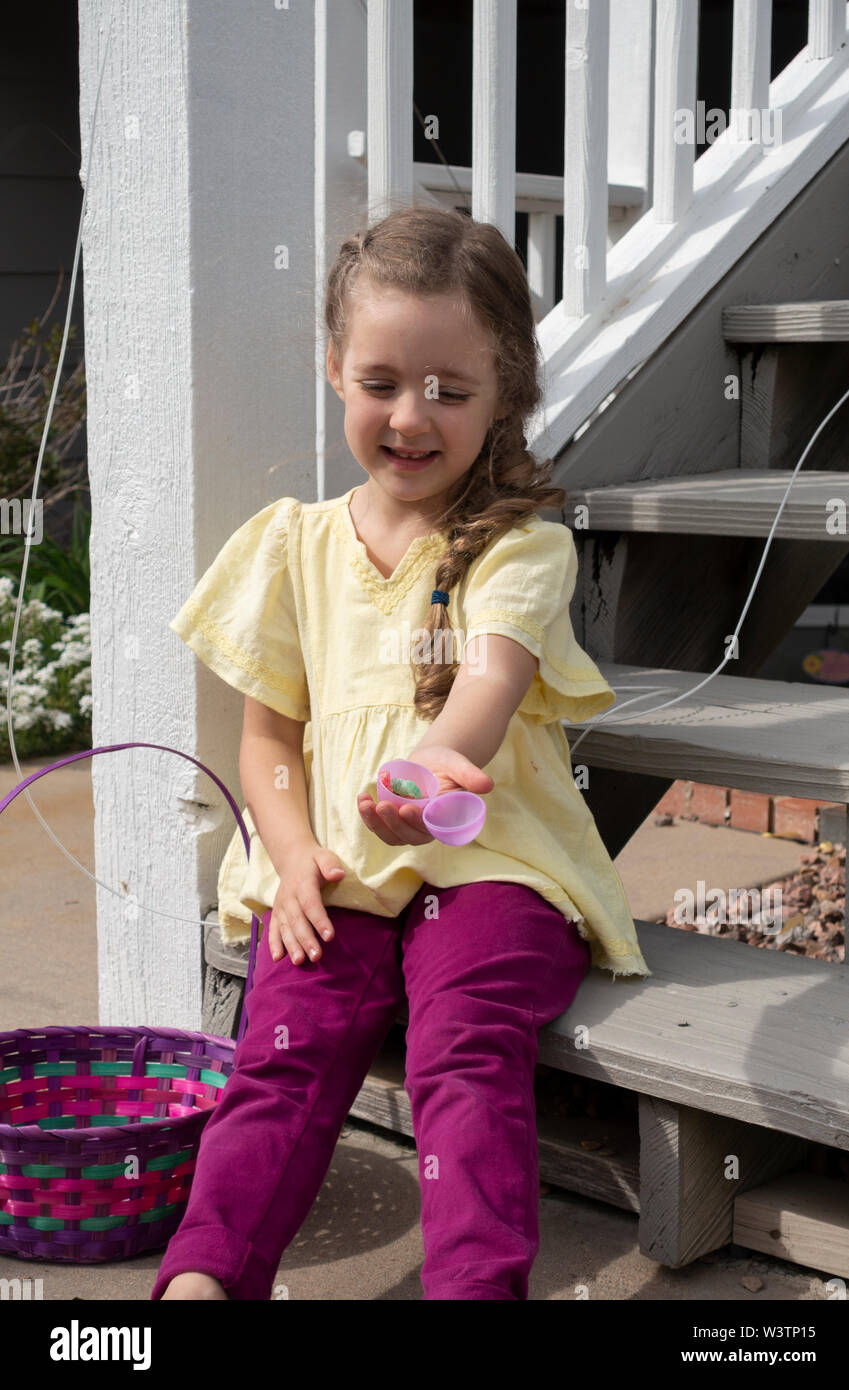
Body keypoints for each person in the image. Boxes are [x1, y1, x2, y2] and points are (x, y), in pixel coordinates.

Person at [151, 204, 650, 1303]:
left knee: (462, 1050)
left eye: (449, 390)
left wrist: (422, 775)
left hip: (490, 866)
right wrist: (286, 854)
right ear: (334, 368)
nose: (409, 416)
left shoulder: (521, 546)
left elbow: (486, 685)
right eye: (379, 380)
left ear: (504, 396)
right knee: (280, 1049)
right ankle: (203, 1277)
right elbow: (270, 736)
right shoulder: (296, 546)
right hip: (335, 863)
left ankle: (472, 1290)